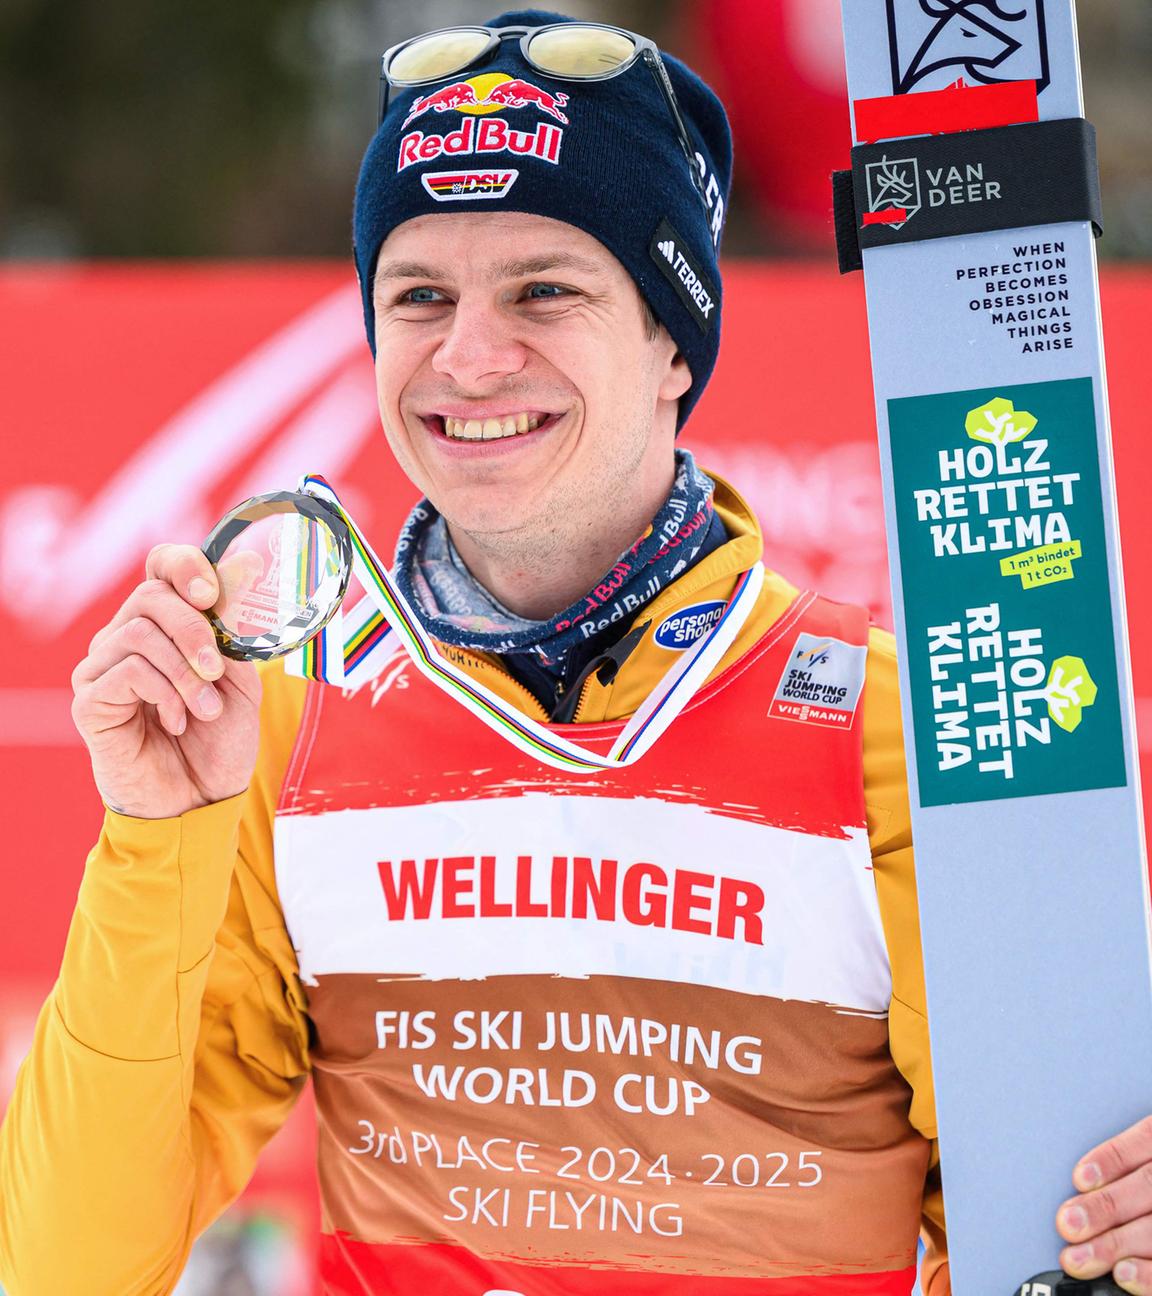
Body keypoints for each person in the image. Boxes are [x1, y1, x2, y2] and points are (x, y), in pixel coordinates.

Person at [1, 10, 1149, 1295]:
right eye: (419, 295)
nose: (470, 355)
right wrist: (158, 835)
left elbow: (1062, 1218)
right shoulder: (287, 737)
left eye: (546, 287)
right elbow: (65, 1267)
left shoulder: (897, 731)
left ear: (673, 343)